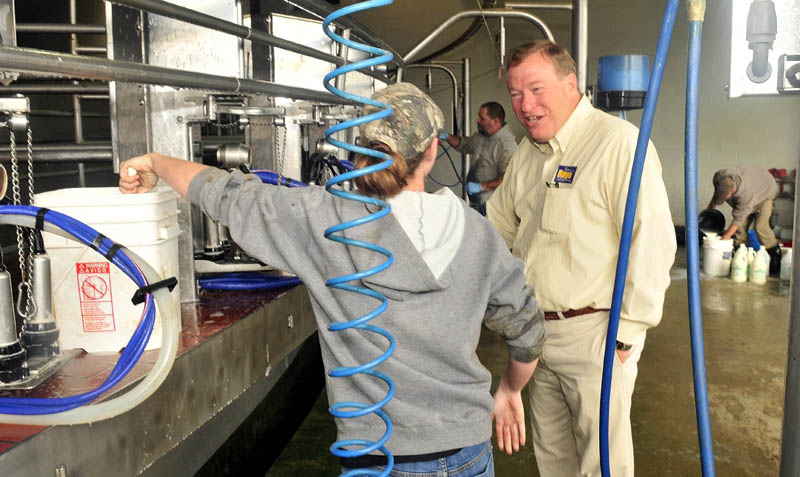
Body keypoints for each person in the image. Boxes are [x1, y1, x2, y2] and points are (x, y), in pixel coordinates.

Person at [119, 82, 545, 476]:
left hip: (379, 455)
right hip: (468, 451)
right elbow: (526, 328)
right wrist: (509, 389)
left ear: (359, 146)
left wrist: (157, 160)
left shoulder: (325, 219)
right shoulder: (476, 229)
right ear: (433, 151)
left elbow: (230, 197)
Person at [486, 40, 676, 477]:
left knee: (601, 465)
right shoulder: (528, 155)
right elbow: (497, 229)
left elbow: (653, 242)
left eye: (536, 89)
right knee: (553, 461)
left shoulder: (617, 144)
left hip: (597, 334)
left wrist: (624, 337)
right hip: (534, 336)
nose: (524, 105)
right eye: (515, 94)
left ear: (571, 84)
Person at [441, 102, 518, 214]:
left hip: (493, 206)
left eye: (482, 118)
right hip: (477, 201)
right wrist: (446, 136)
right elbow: (463, 144)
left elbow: (507, 179)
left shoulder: (506, 145)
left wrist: (481, 187)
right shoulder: (482, 137)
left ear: (495, 121)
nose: (477, 120)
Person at [708, 166, 779, 261]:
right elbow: (718, 191)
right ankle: (740, 252)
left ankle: (775, 253)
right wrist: (712, 204)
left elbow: (738, 220)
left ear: (732, 190)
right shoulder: (719, 177)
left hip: (766, 190)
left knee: (760, 227)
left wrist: (723, 240)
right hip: (753, 185)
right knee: (740, 228)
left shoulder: (744, 194)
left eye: (726, 197)